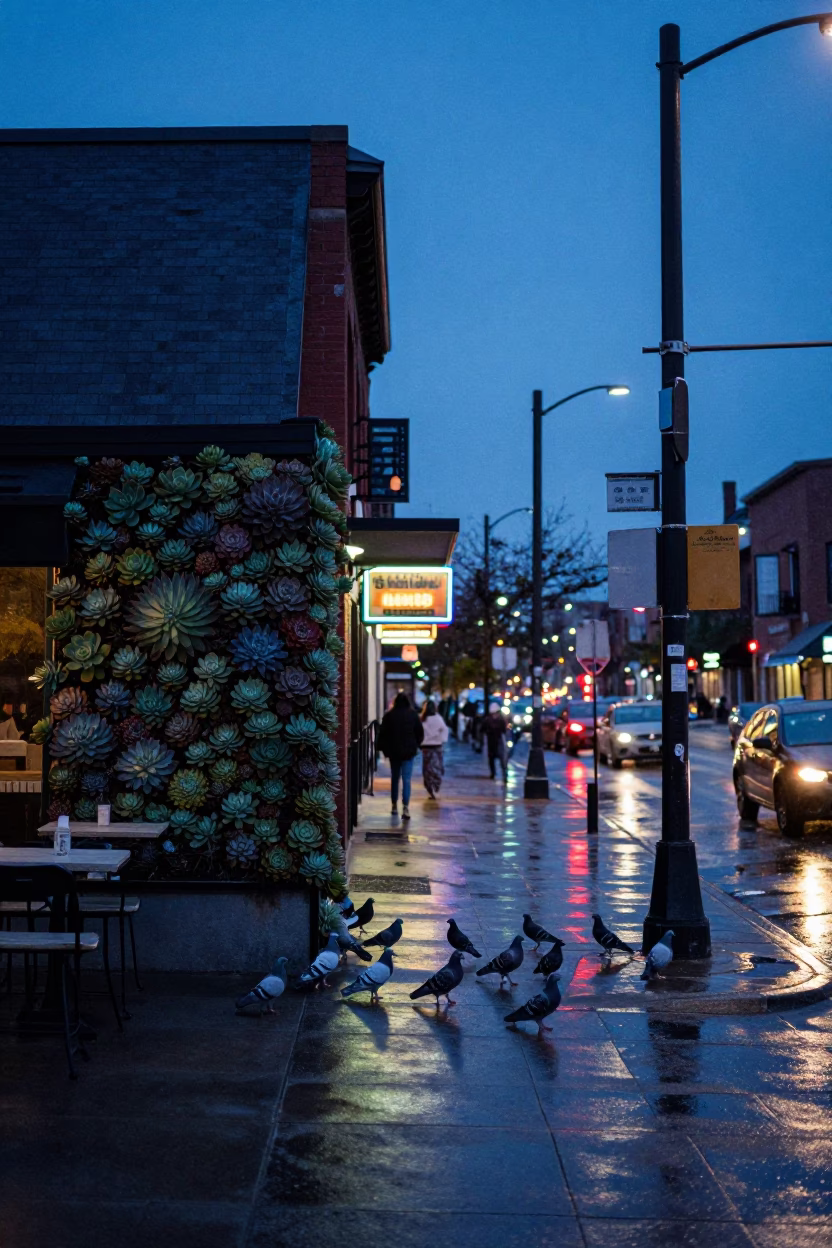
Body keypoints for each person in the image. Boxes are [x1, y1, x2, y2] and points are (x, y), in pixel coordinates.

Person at [376, 692, 424, 819]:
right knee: (407, 780)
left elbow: (383, 733)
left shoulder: (389, 715)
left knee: (395, 779)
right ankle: (406, 807)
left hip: (394, 752)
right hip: (408, 752)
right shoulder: (413, 715)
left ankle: (394, 806)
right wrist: (416, 745)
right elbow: (420, 732)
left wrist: (383, 749)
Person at [420, 700, 449, 798]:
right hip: (437, 746)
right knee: (437, 767)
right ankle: (436, 786)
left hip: (426, 746)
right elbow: (444, 730)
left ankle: (430, 787)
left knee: (427, 768)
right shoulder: (438, 718)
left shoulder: (422, 719)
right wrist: (441, 739)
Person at [483, 703, 508, 781]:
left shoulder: (492, 720)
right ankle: (496, 774)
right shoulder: (497, 720)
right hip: (493, 741)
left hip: (497, 741)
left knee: (500, 759)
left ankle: (502, 774)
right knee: (495, 759)